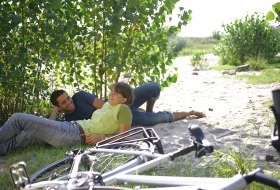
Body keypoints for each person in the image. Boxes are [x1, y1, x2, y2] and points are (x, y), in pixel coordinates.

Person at [0, 82, 134, 156]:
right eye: (111, 91)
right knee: (24, 136)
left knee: (18, 118)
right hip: (70, 128)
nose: (111, 94)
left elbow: (125, 137)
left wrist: (103, 137)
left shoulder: (123, 109)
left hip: (74, 133)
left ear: (124, 99)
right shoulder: (107, 106)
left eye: (116, 93)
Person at [49, 82, 205, 126]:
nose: (69, 102)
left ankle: (149, 110)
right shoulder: (67, 121)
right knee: (162, 118)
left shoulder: (80, 96)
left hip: (119, 101)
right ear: (59, 107)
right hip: (122, 119)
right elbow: (49, 126)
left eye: (67, 98)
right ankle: (189, 112)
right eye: (63, 102)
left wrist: (123, 100)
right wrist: (55, 110)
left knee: (155, 87)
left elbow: (104, 106)